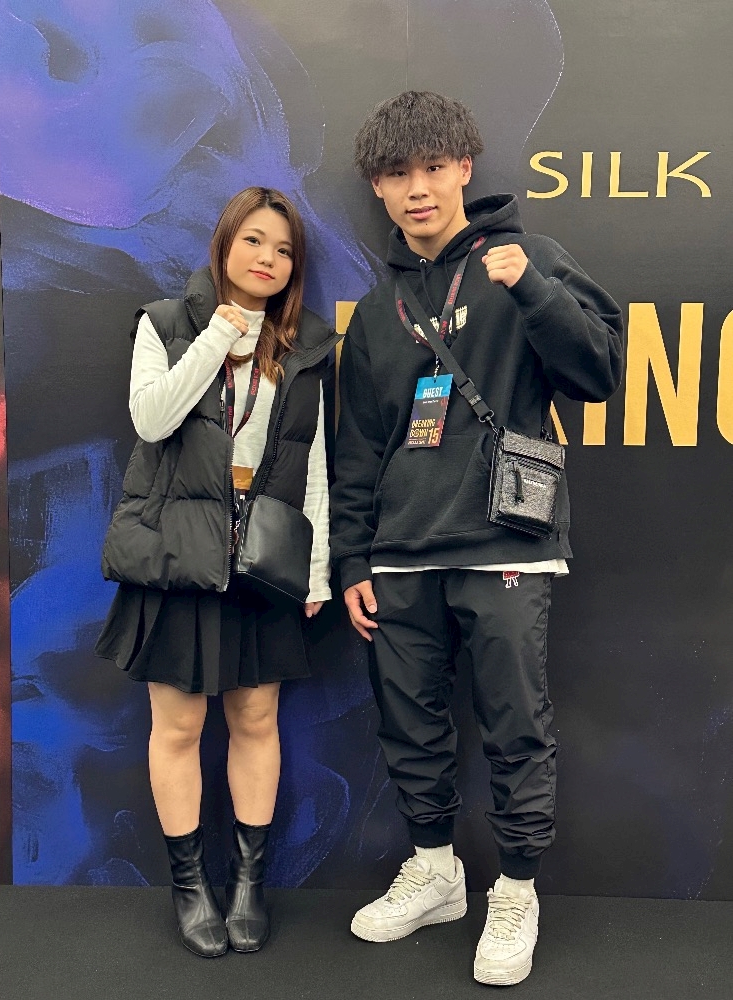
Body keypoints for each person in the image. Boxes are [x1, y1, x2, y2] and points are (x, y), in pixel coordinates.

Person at [330, 91, 624, 986]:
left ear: (464, 167)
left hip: (505, 543)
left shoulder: (528, 260)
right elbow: (357, 446)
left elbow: (598, 374)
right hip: (400, 553)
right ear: (378, 188)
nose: (417, 189)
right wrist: (351, 557)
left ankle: (517, 889)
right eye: (398, 174)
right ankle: (435, 872)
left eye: (433, 167)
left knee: (514, 724)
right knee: (410, 723)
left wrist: (530, 290)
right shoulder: (377, 310)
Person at [96, 187, 336, 957]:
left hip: (262, 561)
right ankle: (191, 887)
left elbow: (314, 462)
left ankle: (248, 887)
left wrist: (317, 570)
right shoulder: (166, 323)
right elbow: (151, 419)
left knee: (256, 721)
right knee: (178, 726)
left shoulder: (306, 347)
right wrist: (217, 337)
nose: (268, 258)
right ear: (225, 243)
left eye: (284, 249)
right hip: (178, 554)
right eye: (254, 240)